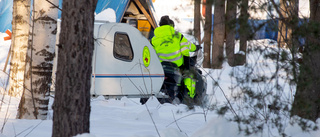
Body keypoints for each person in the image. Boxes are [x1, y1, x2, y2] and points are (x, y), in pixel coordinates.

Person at [151, 15, 201, 103]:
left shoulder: (154, 39)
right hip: (176, 66)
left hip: (161, 67)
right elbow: (188, 46)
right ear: (171, 26)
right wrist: (196, 47)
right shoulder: (178, 36)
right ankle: (189, 96)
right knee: (189, 75)